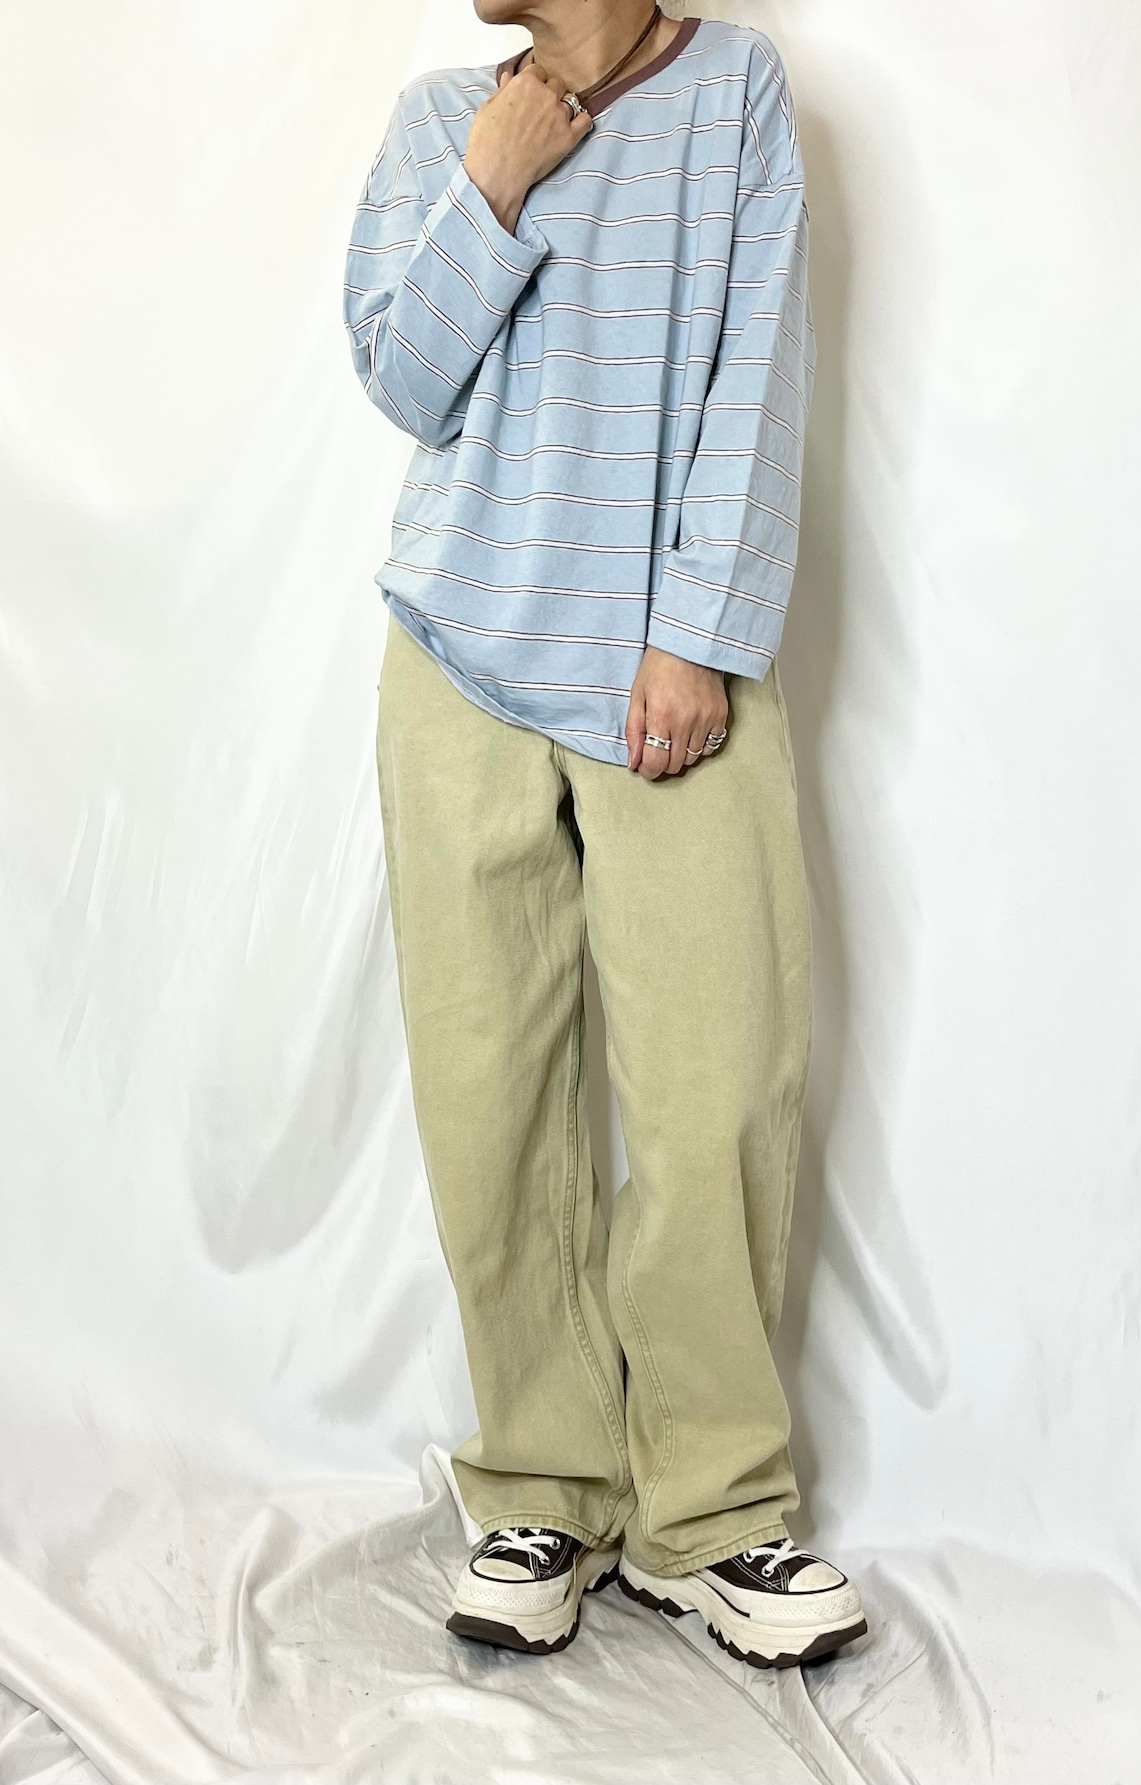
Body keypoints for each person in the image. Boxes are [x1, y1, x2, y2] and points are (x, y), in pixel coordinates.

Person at [343, 1, 866, 1669]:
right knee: (488, 1097)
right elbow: (402, 377)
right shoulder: (445, 119)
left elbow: (758, 373)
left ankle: (711, 1511)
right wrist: (493, 182)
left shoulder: (735, 94)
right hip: (458, 656)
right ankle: (545, 1486)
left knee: (716, 1090)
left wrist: (695, 634)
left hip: (666, 678)